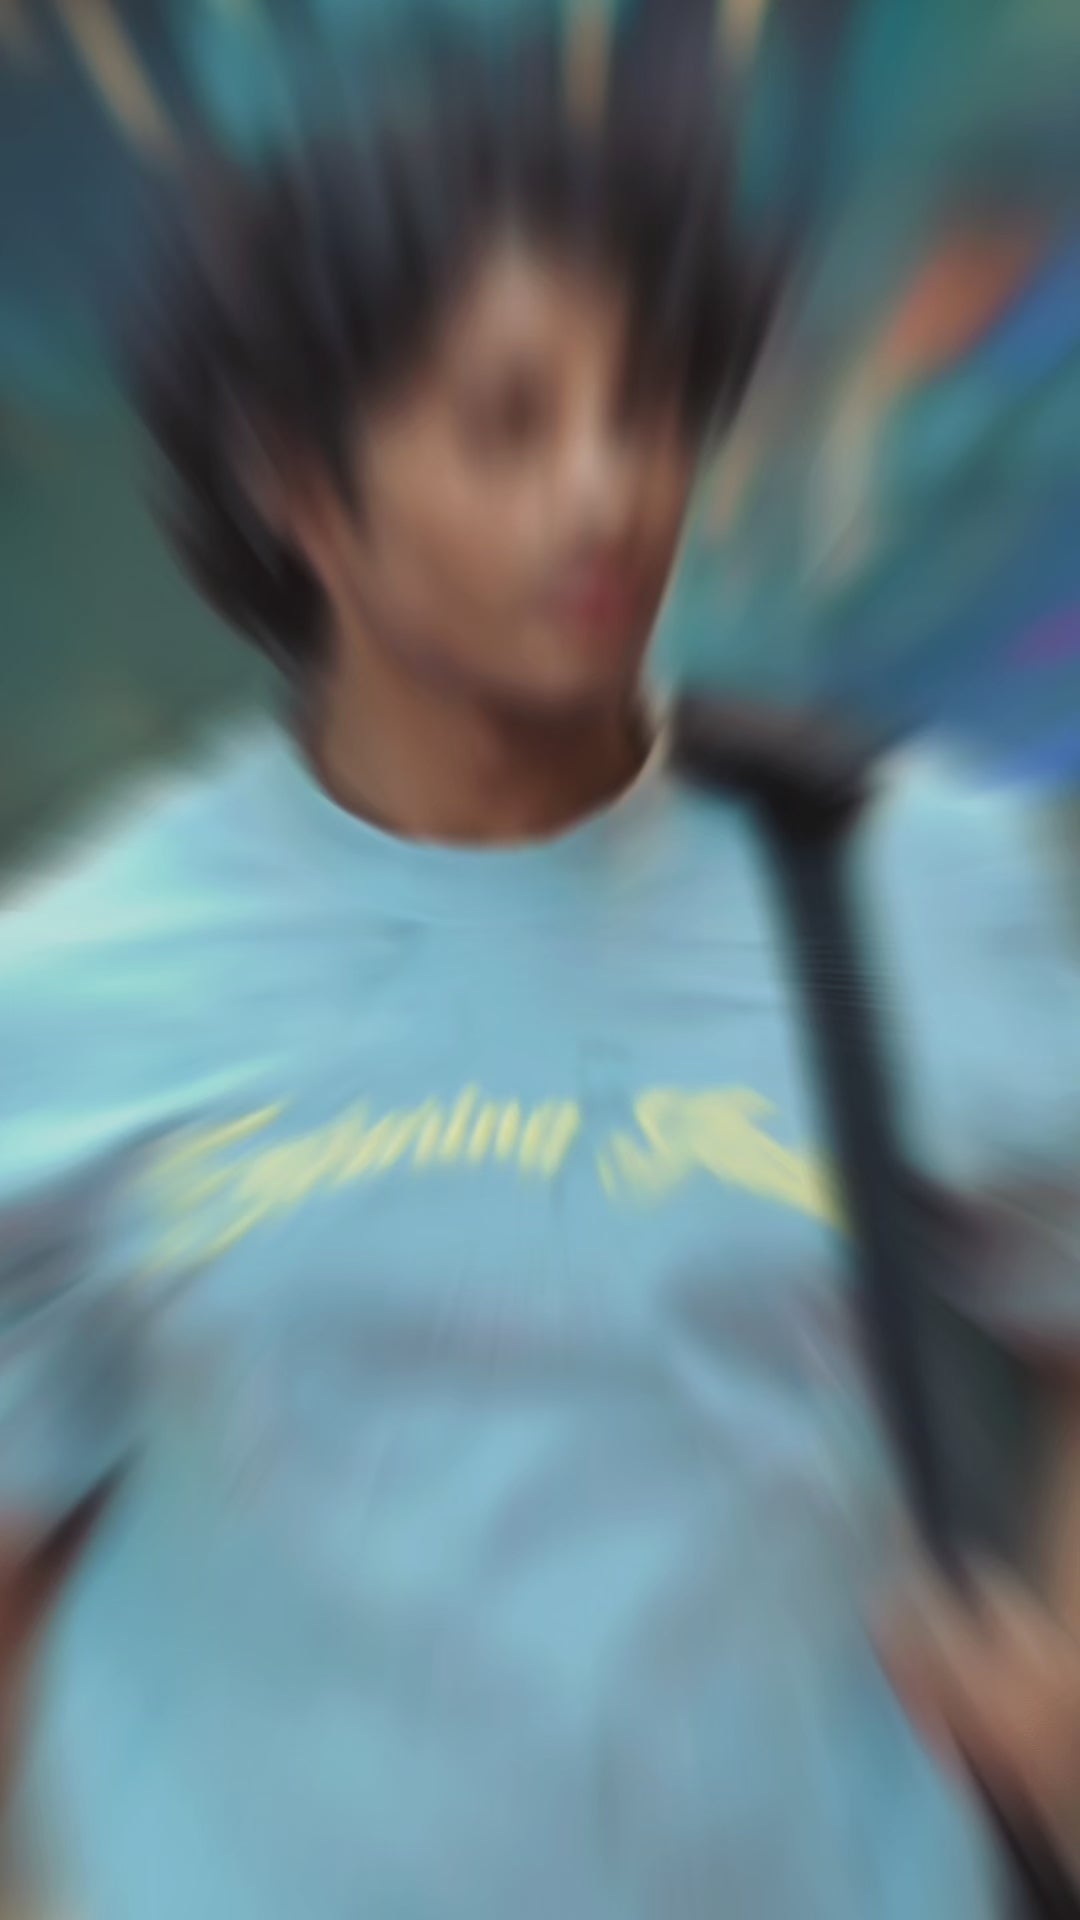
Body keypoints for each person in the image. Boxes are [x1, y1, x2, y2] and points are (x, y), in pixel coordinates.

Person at [2, 6, 1080, 1916]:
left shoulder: (887, 883)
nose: (606, 492)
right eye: (508, 425)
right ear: (304, 491)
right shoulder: (85, 987)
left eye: (646, 409)